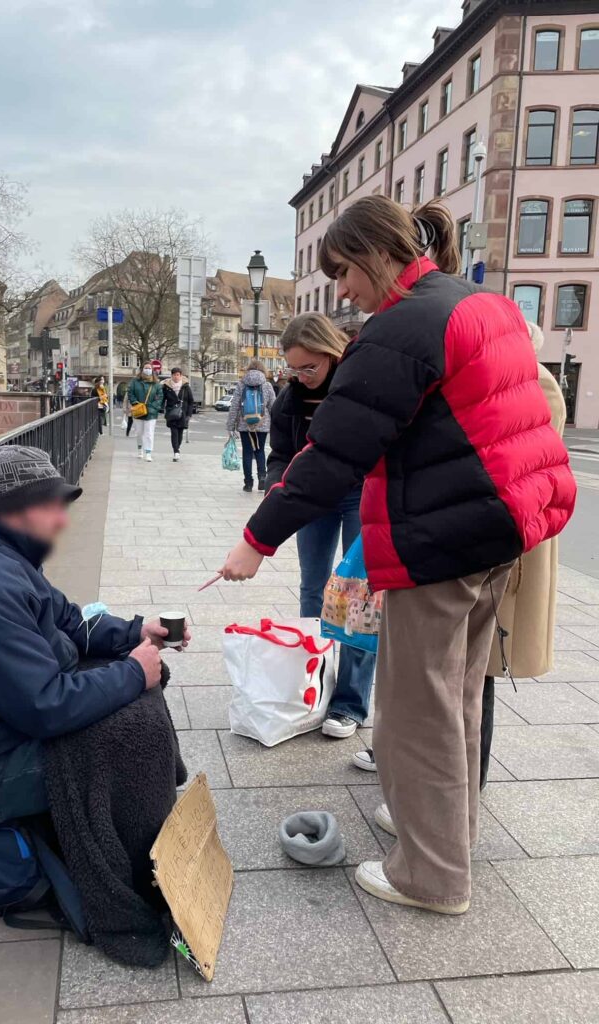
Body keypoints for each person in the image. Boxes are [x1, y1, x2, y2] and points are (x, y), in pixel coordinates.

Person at [220, 195, 576, 915]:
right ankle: (446, 830)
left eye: (345, 271)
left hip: (440, 538)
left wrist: (256, 540)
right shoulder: (484, 305)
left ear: (379, 253)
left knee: (418, 708)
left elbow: (334, 455)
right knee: (460, 693)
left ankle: (431, 875)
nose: (343, 290)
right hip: (501, 530)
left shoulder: (403, 327)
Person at [0, 444, 190, 831]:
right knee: (134, 742)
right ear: (12, 508)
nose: (62, 520)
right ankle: (132, 873)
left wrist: (136, 632)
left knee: (138, 707)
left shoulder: (2, 557)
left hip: (5, 734)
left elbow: (68, 619)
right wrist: (134, 674)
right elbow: (44, 706)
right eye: (52, 506)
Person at [269, 312, 374, 739]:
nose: (302, 377)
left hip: (359, 493)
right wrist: (276, 488)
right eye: (294, 369)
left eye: (309, 367)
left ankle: (349, 702)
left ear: (332, 353)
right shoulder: (290, 399)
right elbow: (280, 454)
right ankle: (313, 685)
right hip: (314, 498)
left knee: (355, 595)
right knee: (313, 587)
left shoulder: (359, 384)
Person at [481, 322, 567, 788]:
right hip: (495, 536)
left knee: (483, 668)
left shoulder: (536, 382)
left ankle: (469, 782)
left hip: (511, 546)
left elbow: (532, 471)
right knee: (473, 668)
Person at [226, 359, 275, 492]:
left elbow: (235, 406)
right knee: (260, 451)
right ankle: (262, 479)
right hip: (262, 424)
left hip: (245, 424)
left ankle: (248, 483)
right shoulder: (267, 385)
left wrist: (230, 426)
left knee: (247, 453)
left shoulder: (241, 385)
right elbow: (273, 407)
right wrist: (275, 424)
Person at [127, 363, 164, 461]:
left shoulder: (156, 384)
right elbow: (130, 393)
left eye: (149, 368)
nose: (147, 370)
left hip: (151, 413)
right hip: (139, 411)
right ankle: (140, 449)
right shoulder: (135, 381)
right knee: (139, 432)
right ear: (142, 369)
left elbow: (160, 397)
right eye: (146, 368)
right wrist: (135, 403)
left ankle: (148, 452)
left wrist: (152, 407)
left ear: (152, 370)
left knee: (149, 433)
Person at [162, 367, 195, 461]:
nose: (176, 377)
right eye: (174, 375)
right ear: (171, 376)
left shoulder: (186, 387)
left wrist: (189, 414)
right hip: (171, 413)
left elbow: (191, 401)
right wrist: (163, 410)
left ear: (181, 376)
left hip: (183, 414)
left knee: (180, 433)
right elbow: (163, 399)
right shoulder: (166, 387)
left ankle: (177, 448)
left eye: (178, 375)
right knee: (174, 433)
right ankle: (176, 451)